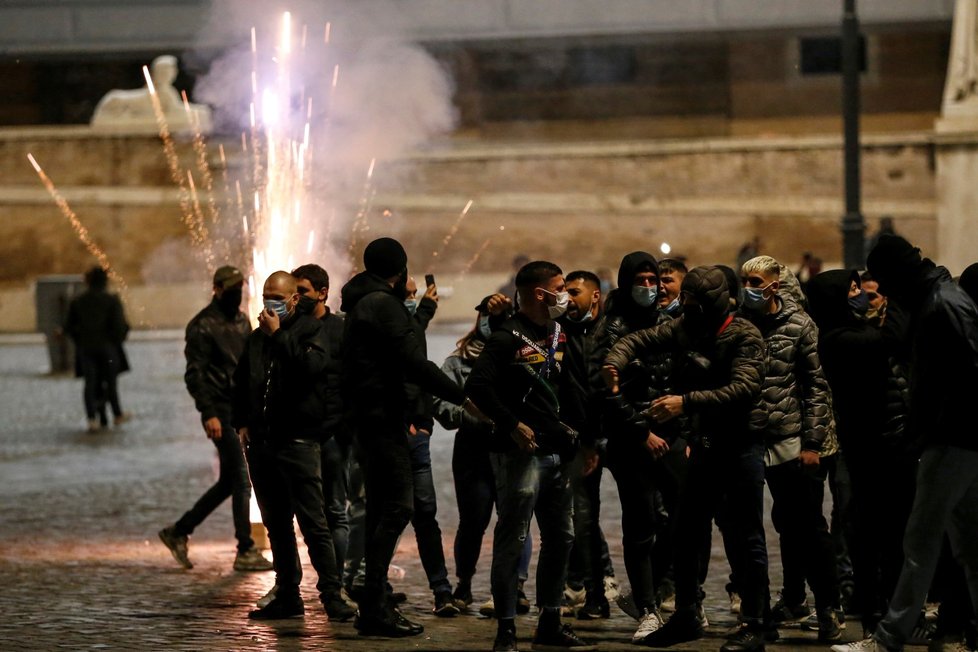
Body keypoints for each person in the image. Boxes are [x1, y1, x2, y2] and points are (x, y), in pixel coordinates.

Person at [603, 265, 771, 652]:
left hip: (740, 445)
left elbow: (743, 388)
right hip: (707, 444)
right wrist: (615, 361)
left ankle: (757, 623)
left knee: (747, 537)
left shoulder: (743, 334)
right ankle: (686, 613)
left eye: (696, 303)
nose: (689, 309)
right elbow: (642, 339)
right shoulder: (688, 327)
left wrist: (686, 402)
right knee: (686, 530)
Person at [832, 236, 978, 652]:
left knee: (920, 540)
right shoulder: (940, 298)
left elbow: (962, 374)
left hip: (950, 438)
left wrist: (922, 430)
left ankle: (890, 636)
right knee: (969, 545)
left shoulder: (939, 305)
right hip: (959, 436)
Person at [339, 237, 482, 637]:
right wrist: (463, 395)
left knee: (382, 507)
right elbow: (414, 363)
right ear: (399, 270)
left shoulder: (364, 302)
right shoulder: (382, 305)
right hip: (382, 422)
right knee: (398, 507)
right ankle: (373, 604)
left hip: (367, 421)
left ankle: (373, 599)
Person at [466, 260, 596, 652]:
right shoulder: (507, 337)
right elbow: (477, 386)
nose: (565, 295)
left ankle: (550, 621)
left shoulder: (559, 332)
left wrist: (586, 439)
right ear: (541, 294)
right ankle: (506, 629)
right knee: (513, 538)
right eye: (560, 288)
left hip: (559, 455)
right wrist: (511, 424)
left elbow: (572, 387)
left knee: (561, 538)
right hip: (520, 456)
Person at [233, 271, 354, 622]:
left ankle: (332, 595)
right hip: (262, 445)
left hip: (298, 441)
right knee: (277, 524)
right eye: (266, 294)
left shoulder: (310, 332)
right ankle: (288, 593)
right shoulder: (255, 340)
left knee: (314, 522)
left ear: (293, 300)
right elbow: (242, 383)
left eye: (277, 296)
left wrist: (279, 335)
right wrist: (241, 422)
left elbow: (310, 370)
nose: (270, 302)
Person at [737, 256, 842, 642]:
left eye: (755, 280)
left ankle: (829, 607)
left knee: (807, 527)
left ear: (774, 285)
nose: (748, 286)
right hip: (748, 438)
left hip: (788, 438)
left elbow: (817, 386)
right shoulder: (739, 323)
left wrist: (813, 443)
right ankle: (759, 612)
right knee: (750, 528)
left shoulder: (799, 326)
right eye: (744, 279)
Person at [807, 269, 916, 638]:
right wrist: (899, 295)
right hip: (868, 448)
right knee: (870, 533)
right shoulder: (841, 338)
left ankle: (889, 611)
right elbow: (891, 340)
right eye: (853, 289)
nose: (860, 294)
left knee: (888, 532)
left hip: (881, 444)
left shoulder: (850, 331)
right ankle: (875, 617)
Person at [587, 252, 685, 644]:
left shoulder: (670, 324)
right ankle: (646, 606)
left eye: (653, 279)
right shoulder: (610, 329)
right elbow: (606, 389)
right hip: (633, 440)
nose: (650, 286)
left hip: (672, 435)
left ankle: (658, 591)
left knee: (681, 519)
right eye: (642, 279)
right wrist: (641, 430)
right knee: (641, 522)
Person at [158, 265, 271, 573]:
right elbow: (195, 375)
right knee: (241, 478)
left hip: (239, 409)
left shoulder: (240, 319)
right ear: (217, 288)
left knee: (229, 481)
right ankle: (245, 548)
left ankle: (179, 530)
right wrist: (208, 413)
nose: (237, 292)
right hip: (220, 411)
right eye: (232, 287)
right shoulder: (202, 326)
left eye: (240, 287)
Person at [433, 298, 535, 617]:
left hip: (512, 447)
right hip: (473, 451)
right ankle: (464, 584)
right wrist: (473, 417)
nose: (491, 322)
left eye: (499, 317)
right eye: (487, 316)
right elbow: (441, 404)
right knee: (473, 521)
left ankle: (513, 587)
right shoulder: (459, 360)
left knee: (515, 520)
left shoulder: (524, 357)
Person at [401, 275, 462, 617]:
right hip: (393, 436)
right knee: (385, 515)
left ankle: (442, 590)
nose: (413, 299)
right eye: (407, 294)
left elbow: (421, 374)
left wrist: (423, 423)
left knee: (426, 515)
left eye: (416, 294)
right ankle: (367, 586)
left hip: (416, 436)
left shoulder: (410, 327)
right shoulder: (392, 329)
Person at [560, 270, 617, 621]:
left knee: (648, 519)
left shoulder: (611, 332)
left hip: (617, 435)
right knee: (583, 519)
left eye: (574, 292)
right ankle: (595, 593)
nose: (568, 298)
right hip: (582, 442)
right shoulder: (561, 333)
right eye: (564, 292)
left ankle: (660, 596)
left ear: (595, 296)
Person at [291, 264, 352, 585]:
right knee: (305, 513)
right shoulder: (292, 327)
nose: (297, 298)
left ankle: (336, 582)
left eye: (302, 291)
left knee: (335, 510)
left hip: (332, 435)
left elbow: (348, 382)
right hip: (299, 435)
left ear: (323, 292)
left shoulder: (340, 329)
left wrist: (341, 427)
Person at [64, 265, 131, 433]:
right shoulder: (111, 300)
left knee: (90, 383)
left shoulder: (78, 301)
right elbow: (120, 326)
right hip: (108, 348)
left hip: (86, 348)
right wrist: (117, 340)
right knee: (111, 382)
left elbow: (69, 326)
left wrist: (80, 340)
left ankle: (92, 417)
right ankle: (116, 414)